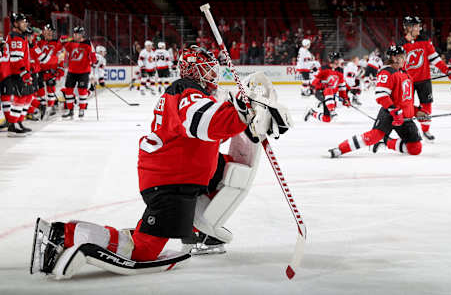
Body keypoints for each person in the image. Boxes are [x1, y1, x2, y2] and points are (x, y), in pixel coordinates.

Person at [30, 45, 291, 279]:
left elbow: (207, 133)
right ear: (194, 71)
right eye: (208, 70)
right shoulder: (186, 91)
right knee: (143, 250)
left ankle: (202, 231)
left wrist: (255, 119)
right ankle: (63, 234)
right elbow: (204, 122)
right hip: (171, 180)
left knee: (228, 172)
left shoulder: (193, 93)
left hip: (179, 169)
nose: (214, 76)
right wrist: (241, 114)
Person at [328, 45, 422, 158]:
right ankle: (340, 149)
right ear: (392, 58)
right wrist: (394, 111)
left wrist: (417, 111)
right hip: (390, 113)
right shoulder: (387, 72)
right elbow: (381, 95)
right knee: (374, 136)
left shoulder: (405, 74)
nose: (402, 59)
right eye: (399, 56)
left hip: (404, 117)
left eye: (403, 56)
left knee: (415, 149)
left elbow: (406, 100)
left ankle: (386, 141)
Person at [398, 16, 451, 141]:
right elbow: (396, 65)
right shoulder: (401, 44)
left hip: (424, 80)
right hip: (407, 81)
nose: (419, 28)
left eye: (418, 26)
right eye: (416, 26)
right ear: (408, 28)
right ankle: (408, 131)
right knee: (406, 107)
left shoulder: (425, 40)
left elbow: (435, 59)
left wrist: (447, 71)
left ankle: (425, 130)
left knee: (426, 105)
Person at [1, 13, 32, 136]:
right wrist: (24, 73)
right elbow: (15, 58)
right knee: (20, 98)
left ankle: (17, 122)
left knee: (26, 97)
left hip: (19, 72)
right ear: (15, 24)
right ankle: (12, 126)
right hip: (15, 73)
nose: (25, 24)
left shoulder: (20, 36)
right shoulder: (15, 37)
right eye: (22, 22)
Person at [60, 26, 97, 119]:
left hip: (83, 72)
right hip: (71, 71)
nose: (75, 35)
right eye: (74, 33)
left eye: (77, 34)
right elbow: (62, 46)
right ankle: (70, 110)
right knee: (68, 91)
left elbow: (93, 56)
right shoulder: (71, 43)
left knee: (82, 91)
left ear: (82, 34)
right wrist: (62, 41)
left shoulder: (88, 43)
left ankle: (82, 109)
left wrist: (93, 61)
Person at [304, 51, 351, 123]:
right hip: (321, 92)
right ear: (335, 61)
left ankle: (311, 112)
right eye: (339, 59)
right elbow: (313, 81)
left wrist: (345, 99)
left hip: (331, 96)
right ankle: (332, 111)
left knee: (327, 119)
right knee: (328, 90)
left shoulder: (340, 70)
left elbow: (342, 87)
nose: (341, 61)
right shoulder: (323, 69)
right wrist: (320, 83)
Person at [37, 22, 65, 120]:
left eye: (50, 32)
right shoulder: (39, 42)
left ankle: (49, 108)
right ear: (43, 32)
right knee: (39, 91)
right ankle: (43, 107)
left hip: (51, 71)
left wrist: (59, 71)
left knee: (50, 90)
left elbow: (61, 59)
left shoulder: (58, 44)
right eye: (46, 31)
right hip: (40, 71)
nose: (48, 33)